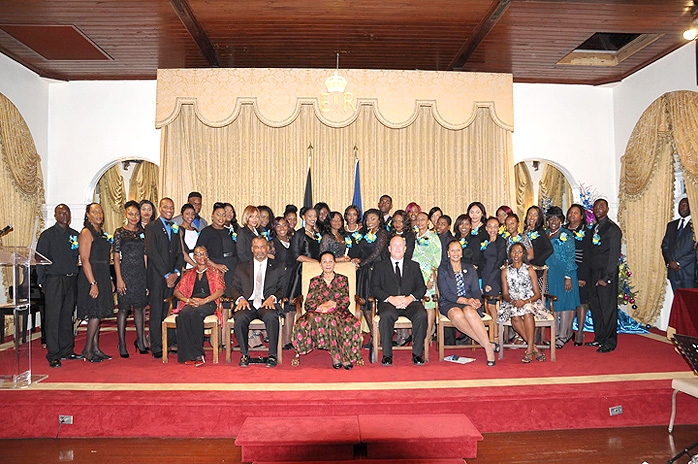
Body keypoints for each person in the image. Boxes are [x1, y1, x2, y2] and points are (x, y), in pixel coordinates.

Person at [292, 251, 363, 369]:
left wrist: (333, 305)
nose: (328, 264)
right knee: (328, 320)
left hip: (339, 312)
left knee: (336, 320)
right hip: (318, 312)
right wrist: (322, 307)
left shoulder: (342, 279)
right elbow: (308, 303)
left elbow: (345, 300)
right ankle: (340, 357)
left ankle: (337, 356)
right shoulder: (314, 281)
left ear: (335, 263)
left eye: (330, 261)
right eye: (324, 262)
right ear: (320, 264)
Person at [438, 240, 498, 366]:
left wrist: (477, 301)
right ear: (448, 253)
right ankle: (488, 346)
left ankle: (487, 346)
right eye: (452, 250)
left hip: (468, 301)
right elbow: (446, 293)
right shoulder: (443, 269)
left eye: (458, 250)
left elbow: (476, 290)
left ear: (462, 252)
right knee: (457, 314)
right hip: (448, 302)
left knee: (469, 311)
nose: (455, 253)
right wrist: (466, 301)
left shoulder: (469, 268)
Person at [36, 204, 82, 368]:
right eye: (61, 213)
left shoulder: (75, 236)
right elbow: (40, 260)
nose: (64, 215)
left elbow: (79, 256)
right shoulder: (47, 235)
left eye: (67, 212)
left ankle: (67, 350)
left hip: (71, 279)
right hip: (54, 280)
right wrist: (42, 281)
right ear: (55, 216)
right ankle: (53, 354)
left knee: (67, 316)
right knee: (53, 318)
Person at [371, 236, 428, 366]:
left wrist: (410, 298)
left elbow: (421, 287)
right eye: (394, 246)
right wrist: (391, 299)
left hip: (410, 302)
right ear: (389, 248)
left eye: (400, 246)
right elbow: (374, 288)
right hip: (388, 303)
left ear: (405, 249)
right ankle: (387, 355)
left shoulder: (414, 265)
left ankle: (417, 354)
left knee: (421, 315)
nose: (397, 248)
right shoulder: (380, 266)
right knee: (386, 315)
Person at [231, 236, 286, 367]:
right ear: (252, 249)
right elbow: (234, 288)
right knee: (239, 318)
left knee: (272, 317)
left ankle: (272, 355)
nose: (259, 250)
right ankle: (245, 354)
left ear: (267, 248)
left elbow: (282, 288)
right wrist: (241, 299)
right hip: (248, 303)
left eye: (262, 247)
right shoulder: (242, 267)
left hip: (267, 302)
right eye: (256, 247)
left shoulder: (278, 266)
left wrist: (272, 298)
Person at [172, 246, 225, 366]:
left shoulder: (214, 271)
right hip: (191, 301)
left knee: (196, 314)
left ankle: (198, 354)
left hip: (209, 302)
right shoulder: (189, 273)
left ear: (207, 256)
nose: (201, 256)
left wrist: (204, 301)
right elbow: (177, 291)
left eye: (203, 254)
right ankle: (187, 354)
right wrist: (187, 300)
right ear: (194, 257)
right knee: (183, 314)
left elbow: (220, 290)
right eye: (198, 254)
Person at [145, 197, 184, 359]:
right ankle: (157, 345)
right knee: (156, 311)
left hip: (173, 277)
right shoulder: (151, 227)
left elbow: (179, 253)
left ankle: (172, 341)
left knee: (172, 310)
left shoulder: (175, 228)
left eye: (172, 207)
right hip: (157, 277)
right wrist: (167, 275)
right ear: (160, 208)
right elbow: (152, 253)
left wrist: (175, 273)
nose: (169, 209)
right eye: (166, 207)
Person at [499, 243, 549, 363]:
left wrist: (525, 301)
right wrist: (513, 301)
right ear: (510, 254)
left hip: (530, 301)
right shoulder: (505, 271)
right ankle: (534, 348)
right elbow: (505, 294)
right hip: (512, 302)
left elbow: (537, 294)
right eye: (513, 251)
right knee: (515, 316)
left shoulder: (530, 270)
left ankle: (529, 350)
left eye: (519, 252)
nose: (516, 254)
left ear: (523, 254)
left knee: (527, 311)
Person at [77, 203, 114, 363]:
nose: (98, 214)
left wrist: (110, 279)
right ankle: (87, 350)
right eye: (94, 212)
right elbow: (85, 260)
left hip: (103, 275)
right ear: (88, 215)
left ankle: (96, 349)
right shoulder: (86, 232)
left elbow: (106, 259)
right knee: (94, 313)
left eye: (100, 211)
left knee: (98, 315)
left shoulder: (102, 234)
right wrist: (93, 283)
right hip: (91, 277)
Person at [113, 200, 148, 358]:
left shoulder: (143, 232)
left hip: (140, 274)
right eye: (131, 214)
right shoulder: (119, 232)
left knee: (140, 308)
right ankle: (121, 343)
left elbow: (146, 256)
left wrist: (146, 278)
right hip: (125, 273)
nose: (134, 217)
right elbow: (115, 257)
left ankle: (141, 341)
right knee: (123, 309)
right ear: (126, 214)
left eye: (136, 214)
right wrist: (119, 279)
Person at [586, 199, 622, 353]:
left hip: (605, 275)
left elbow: (614, 255)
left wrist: (607, 277)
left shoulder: (612, 229)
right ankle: (600, 338)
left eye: (601, 207)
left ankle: (610, 342)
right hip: (593, 274)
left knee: (607, 309)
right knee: (596, 308)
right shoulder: (595, 227)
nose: (598, 209)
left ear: (607, 209)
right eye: (596, 207)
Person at [545, 206, 580, 349]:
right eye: (551, 218)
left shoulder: (566, 234)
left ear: (561, 220)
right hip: (551, 274)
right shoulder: (545, 234)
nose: (553, 221)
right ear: (547, 220)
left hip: (565, 274)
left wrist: (568, 276)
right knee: (555, 306)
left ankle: (563, 336)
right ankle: (556, 335)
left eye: (557, 218)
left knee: (565, 305)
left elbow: (571, 257)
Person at [354, 208, 389, 332]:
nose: (369, 221)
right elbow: (360, 250)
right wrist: (357, 260)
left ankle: (380, 334)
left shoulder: (383, 233)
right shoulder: (364, 233)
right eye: (368, 219)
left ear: (379, 220)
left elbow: (376, 254)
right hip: (364, 272)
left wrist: (361, 263)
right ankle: (374, 334)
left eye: (373, 219)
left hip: (377, 271)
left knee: (375, 304)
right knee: (364, 305)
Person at [196, 203, 239, 296]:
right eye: (218, 214)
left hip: (230, 267)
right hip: (214, 268)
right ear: (212, 216)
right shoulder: (206, 231)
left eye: (224, 215)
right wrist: (215, 265)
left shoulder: (228, 231)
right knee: (218, 296)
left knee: (229, 296)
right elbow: (199, 253)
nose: (221, 218)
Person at [565, 204, 592, 346]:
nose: (572, 215)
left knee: (581, 302)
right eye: (570, 212)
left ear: (582, 216)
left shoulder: (586, 232)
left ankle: (580, 331)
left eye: (576, 213)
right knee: (568, 302)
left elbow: (587, 256)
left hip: (580, 271)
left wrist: (582, 276)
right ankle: (568, 331)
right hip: (565, 272)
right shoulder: (563, 230)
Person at [270, 216, 296, 349]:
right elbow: (270, 264)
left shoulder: (293, 241)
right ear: (274, 228)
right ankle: (281, 340)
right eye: (278, 225)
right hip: (280, 279)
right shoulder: (272, 243)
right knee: (283, 309)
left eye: (284, 225)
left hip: (293, 277)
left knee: (291, 309)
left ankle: (288, 339)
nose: (282, 228)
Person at [662, 197, 697, 291]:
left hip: (690, 272)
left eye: (685, 205)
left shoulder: (695, 225)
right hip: (673, 273)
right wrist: (670, 262)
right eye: (680, 205)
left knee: (691, 303)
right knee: (679, 302)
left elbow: (696, 249)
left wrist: (679, 262)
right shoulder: (671, 225)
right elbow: (665, 246)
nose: (682, 207)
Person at [289, 207, 322, 300]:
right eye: (310, 216)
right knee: (298, 301)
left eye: (315, 216)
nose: (313, 219)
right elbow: (296, 256)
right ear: (303, 217)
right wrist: (314, 261)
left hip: (315, 269)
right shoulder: (299, 234)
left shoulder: (316, 234)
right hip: (302, 270)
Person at [481, 217, 507, 333]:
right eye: (490, 226)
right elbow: (481, 261)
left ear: (499, 228)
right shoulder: (484, 242)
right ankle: (488, 333)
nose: (493, 229)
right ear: (486, 228)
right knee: (484, 306)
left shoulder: (501, 241)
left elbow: (499, 261)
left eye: (495, 226)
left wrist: (489, 282)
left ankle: (496, 334)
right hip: (485, 274)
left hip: (495, 276)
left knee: (491, 306)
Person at [413, 212, 441, 311]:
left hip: (428, 275)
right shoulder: (414, 236)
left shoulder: (433, 237)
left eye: (423, 219)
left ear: (428, 222)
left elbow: (437, 259)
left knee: (429, 305)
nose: (420, 222)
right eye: (418, 219)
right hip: (416, 275)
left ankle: (429, 327)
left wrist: (432, 278)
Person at [525, 206, 554, 287]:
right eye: (530, 214)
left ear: (539, 218)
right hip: (526, 268)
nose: (532, 217)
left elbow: (550, 250)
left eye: (535, 215)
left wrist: (536, 262)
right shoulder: (526, 231)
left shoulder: (540, 232)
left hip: (536, 270)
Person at [463, 202, 489, 272]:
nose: (474, 215)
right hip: (464, 263)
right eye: (472, 212)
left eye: (477, 212)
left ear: (482, 213)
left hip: (482, 264)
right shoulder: (464, 228)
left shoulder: (486, 228)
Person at [179, 203, 200, 270]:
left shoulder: (196, 230)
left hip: (197, 264)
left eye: (192, 214)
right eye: (187, 213)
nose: (190, 216)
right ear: (182, 215)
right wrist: (194, 265)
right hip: (185, 266)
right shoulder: (179, 230)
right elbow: (182, 251)